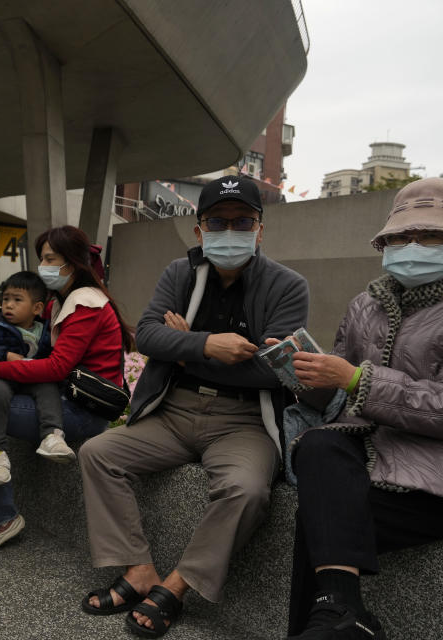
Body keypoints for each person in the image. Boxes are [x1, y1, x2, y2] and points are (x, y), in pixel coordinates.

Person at [77, 176, 309, 637]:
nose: (231, 230)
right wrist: (208, 345)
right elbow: (146, 335)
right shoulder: (179, 274)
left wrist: (183, 348)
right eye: (217, 222)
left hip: (244, 421)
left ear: (260, 228)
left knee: (247, 490)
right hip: (175, 411)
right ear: (199, 229)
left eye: (243, 221)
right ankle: (138, 567)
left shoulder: (288, 286)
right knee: (98, 453)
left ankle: (177, 586)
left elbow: (277, 369)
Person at [284, 177, 443, 640]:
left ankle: (335, 618)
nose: (410, 245)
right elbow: (340, 400)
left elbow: (356, 380)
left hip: (430, 480)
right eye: (399, 237)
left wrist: (356, 379)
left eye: (427, 235)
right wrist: (306, 376)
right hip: (369, 460)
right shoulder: (364, 305)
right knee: (317, 446)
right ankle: (342, 613)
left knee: (320, 518)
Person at [0, 225, 132, 555]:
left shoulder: (86, 305)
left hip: (81, 411)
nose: (44, 266)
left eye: (51, 259)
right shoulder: (62, 303)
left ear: (73, 263)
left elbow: (55, 367)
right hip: (59, 398)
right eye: (42, 259)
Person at [0, 271, 71, 489]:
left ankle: (52, 436)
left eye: (17, 300)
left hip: (33, 379)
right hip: (2, 377)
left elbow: (55, 363)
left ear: (37, 308)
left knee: (48, 388)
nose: (8, 305)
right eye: (6, 299)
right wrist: (4, 355)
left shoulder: (46, 331)